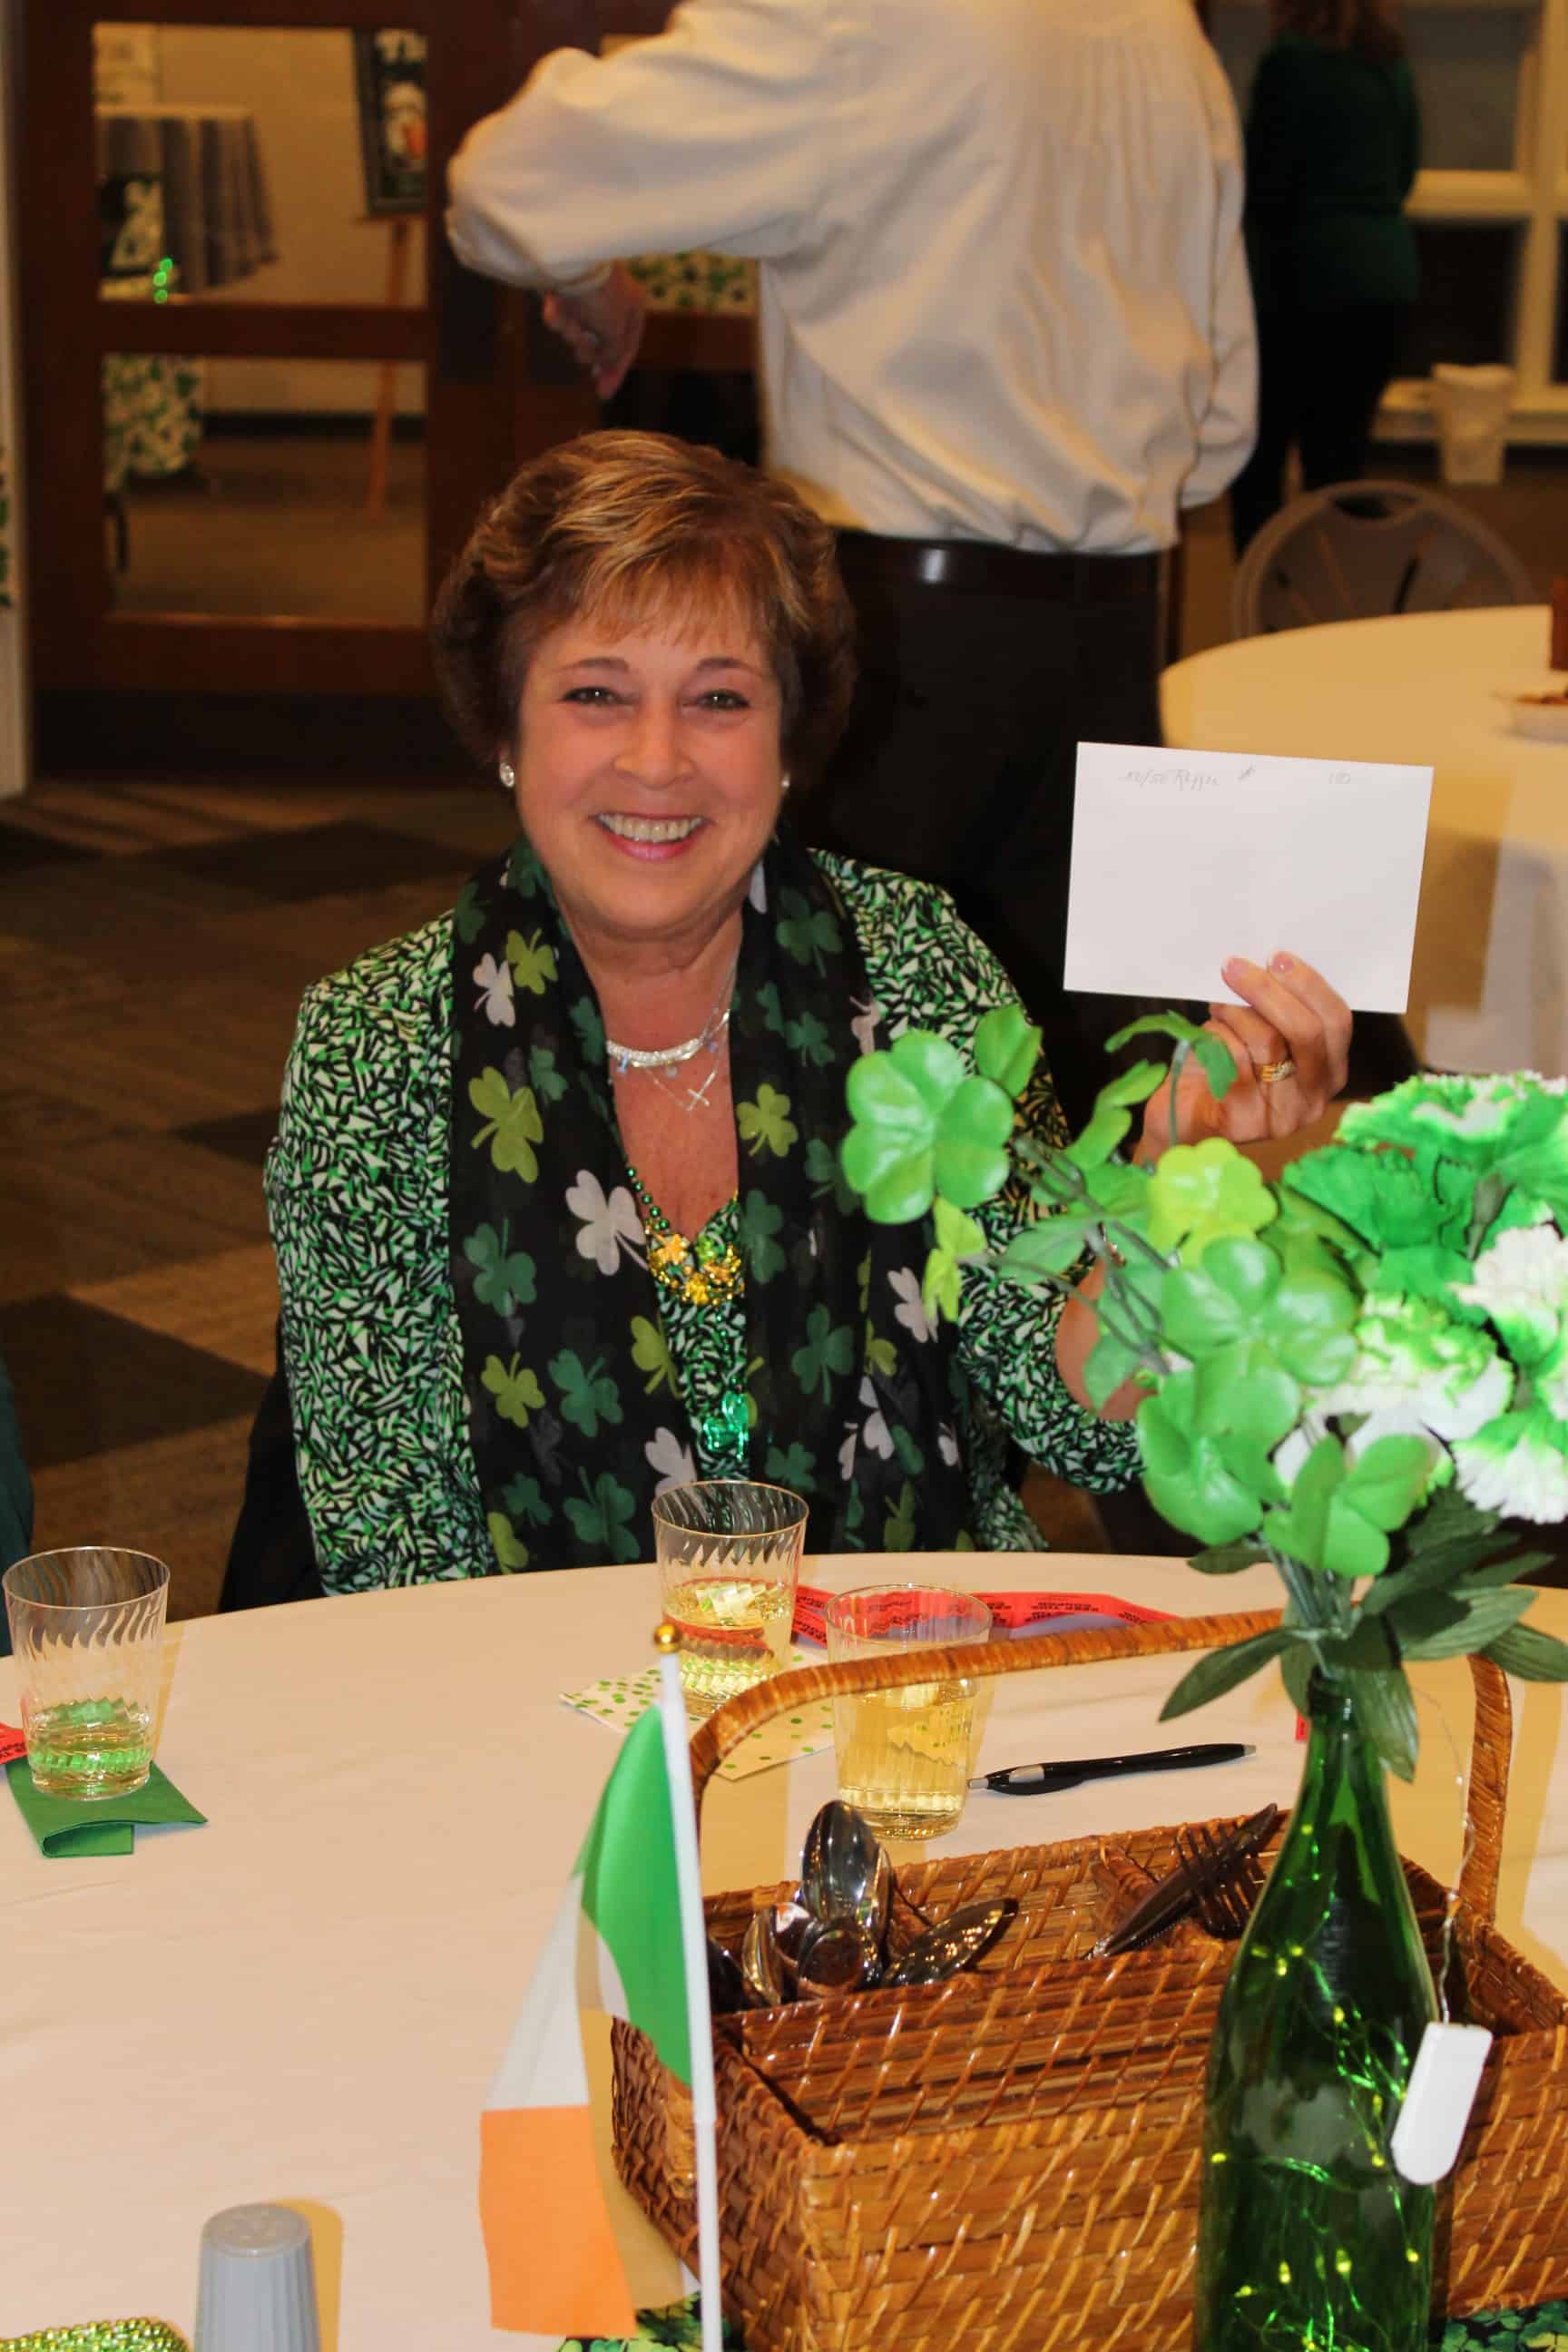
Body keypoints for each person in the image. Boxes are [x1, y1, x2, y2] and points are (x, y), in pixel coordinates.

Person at [260, 431, 1348, 1592]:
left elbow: (1077, 1419)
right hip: (546, 1691)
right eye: (595, 694)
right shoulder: (375, 1049)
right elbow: (390, 1556)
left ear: (787, 742)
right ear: (505, 732)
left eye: (719, 698)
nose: (657, 759)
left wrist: (1172, 1171)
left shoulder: (914, 970)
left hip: (918, 1660)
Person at [444, 0, 1258, 1125]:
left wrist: (586, 277)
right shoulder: (1165, 31)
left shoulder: (857, 14)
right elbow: (1219, 431)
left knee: (823, 1113)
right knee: (1098, 1123)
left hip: (896, 661)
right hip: (1117, 638)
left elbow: (509, 184)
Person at [1229, 0, 1421, 556]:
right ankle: (1348, 591)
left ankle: (1266, 590)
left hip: (1302, 278)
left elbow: (1268, 179)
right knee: (1339, 465)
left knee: (1260, 465)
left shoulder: (1290, 64)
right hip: (1384, 278)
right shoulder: (1391, 67)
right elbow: (1404, 172)